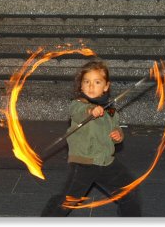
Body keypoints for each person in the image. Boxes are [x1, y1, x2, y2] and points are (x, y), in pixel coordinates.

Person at [41, 60, 141, 217]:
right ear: (81, 85)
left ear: (106, 86)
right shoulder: (78, 104)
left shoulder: (111, 110)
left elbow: (115, 127)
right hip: (84, 163)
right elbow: (78, 112)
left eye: (97, 82)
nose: (91, 86)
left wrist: (118, 135)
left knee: (129, 191)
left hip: (106, 161)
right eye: (86, 82)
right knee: (67, 201)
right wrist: (91, 110)